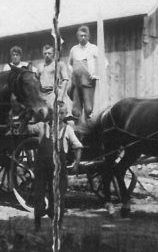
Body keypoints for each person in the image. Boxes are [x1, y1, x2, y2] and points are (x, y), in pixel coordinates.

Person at [32, 102, 82, 231]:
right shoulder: (43, 127)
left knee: (58, 195)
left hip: (58, 167)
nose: (58, 116)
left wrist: (77, 162)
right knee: (38, 194)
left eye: (61, 113)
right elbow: (27, 128)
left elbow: (78, 146)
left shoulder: (68, 129)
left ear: (65, 115)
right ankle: (37, 225)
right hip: (42, 166)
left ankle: (58, 224)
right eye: (56, 112)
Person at [68, 26, 99, 121]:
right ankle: (77, 132)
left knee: (89, 109)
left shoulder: (93, 48)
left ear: (88, 36)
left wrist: (95, 74)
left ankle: (88, 131)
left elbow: (103, 62)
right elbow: (69, 64)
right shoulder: (74, 49)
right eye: (81, 35)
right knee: (76, 110)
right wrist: (72, 72)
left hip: (87, 83)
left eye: (85, 35)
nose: (83, 37)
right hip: (76, 83)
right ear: (78, 37)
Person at [37, 44, 72, 113]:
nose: (47, 55)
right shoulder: (39, 66)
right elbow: (36, 81)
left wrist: (61, 96)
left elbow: (65, 80)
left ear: (53, 54)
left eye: (49, 53)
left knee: (62, 114)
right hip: (43, 95)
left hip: (55, 93)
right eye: (45, 53)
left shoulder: (59, 64)